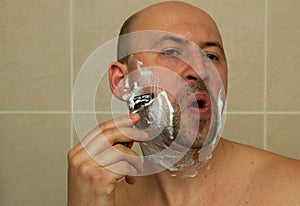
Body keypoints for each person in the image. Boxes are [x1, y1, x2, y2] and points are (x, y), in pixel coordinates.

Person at [68, 1, 300, 205]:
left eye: (211, 56)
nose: (200, 71)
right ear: (122, 81)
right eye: (171, 52)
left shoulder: (293, 190)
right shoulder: (102, 197)